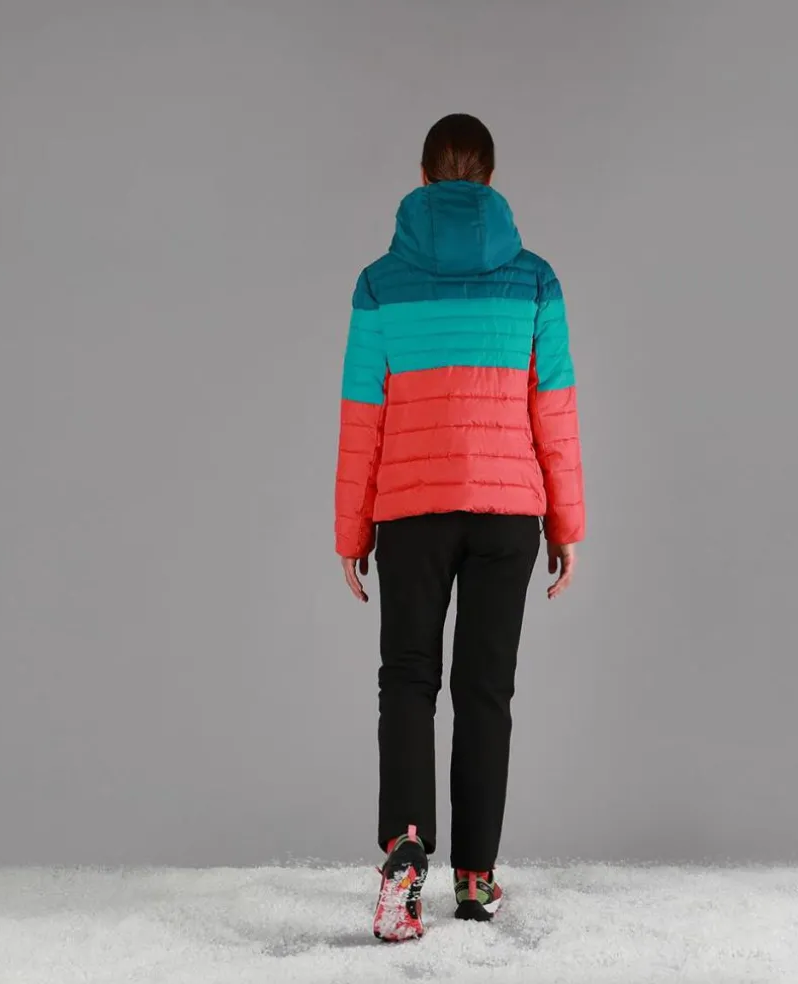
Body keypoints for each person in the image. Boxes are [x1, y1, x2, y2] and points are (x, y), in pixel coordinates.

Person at [334, 114, 585, 941]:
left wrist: (350, 531)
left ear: (422, 177)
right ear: (490, 179)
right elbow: (555, 412)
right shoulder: (536, 280)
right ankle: (475, 879)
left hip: (409, 514)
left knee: (408, 680)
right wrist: (567, 520)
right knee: (485, 689)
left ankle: (406, 853)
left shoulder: (378, 284)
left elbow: (362, 418)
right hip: (509, 515)